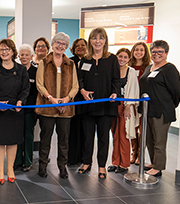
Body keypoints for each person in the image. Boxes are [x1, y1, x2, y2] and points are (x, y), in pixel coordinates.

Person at [77, 27, 120, 179]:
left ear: (105, 41)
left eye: (101, 38)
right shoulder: (84, 59)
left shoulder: (112, 59)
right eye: (94, 38)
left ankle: (102, 165)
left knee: (103, 137)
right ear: (90, 41)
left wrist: (115, 93)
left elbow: (116, 80)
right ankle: (86, 162)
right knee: (87, 136)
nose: (97, 41)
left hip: (106, 105)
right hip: (88, 105)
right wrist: (82, 91)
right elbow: (79, 80)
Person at [0, 39, 30, 184]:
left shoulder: (21, 69)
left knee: (12, 141)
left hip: (15, 109)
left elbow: (25, 89)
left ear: (12, 51)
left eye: (7, 49)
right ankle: (0, 169)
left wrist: (20, 102)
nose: (4, 52)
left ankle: (10, 169)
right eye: (2, 49)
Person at [35, 32, 79, 179]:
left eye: (63, 44)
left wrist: (66, 99)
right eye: (58, 43)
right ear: (53, 44)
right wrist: (51, 99)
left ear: (66, 47)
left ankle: (62, 167)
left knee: (64, 141)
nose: (60, 46)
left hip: (65, 109)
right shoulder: (43, 62)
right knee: (45, 139)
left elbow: (75, 86)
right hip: (47, 107)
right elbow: (39, 84)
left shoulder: (71, 64)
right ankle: (42, 166)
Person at [139, 40, 180, 177]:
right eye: (154, 52)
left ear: (166, 53)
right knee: (148, 139)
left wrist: (169, 105)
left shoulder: (169, 69)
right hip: (147, 110)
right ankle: (153, 162)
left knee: (159, 140)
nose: (156, 54)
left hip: (162, 111)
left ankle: (158, 167)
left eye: (160, 52)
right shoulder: (148, 68)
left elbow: (177, 91)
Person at [107, 48, 140, 174]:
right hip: (113, 106)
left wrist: (128, 106)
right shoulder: (112, 70)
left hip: (125, 106)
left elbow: (133, 89)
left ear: (129, 59)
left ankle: (124, 164)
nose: (122, 59)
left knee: (124, 135)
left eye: (125, 57)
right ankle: (115, 162)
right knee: (115, 135)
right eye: (120, 56)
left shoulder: (131, 72)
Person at [14, 44, 37, 172]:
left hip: (29, 109)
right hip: (17, 109)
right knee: (17, 135)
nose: (24, 57)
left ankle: (28, 161)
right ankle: (17, 161)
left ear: (31, 56)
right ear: (18, 56)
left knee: (28, 135)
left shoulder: (35, 71)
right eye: (22, 55)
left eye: (26, 55)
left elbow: (37, 90)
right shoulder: (15, 70)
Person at [128, 41, 151, 165]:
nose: (139, 52)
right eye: (136, 50)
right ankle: (134, 152)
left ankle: (140, 155)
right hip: (131, 102)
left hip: (143, 103)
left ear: (145, 52)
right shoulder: (128, 66)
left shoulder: (149, 67)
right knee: (133, 127)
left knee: (142, 130)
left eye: (141, 50)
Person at [67, 38, 87, 165]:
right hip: (73, 100)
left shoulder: (90, 61)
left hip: (86, 101)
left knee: (85, 131)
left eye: (83, 45)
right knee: (73, 130)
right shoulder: (69, 62)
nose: (80, 47)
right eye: (77, 46)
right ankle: (72, 158)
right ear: (73, 48)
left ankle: (84, 157)